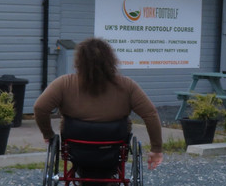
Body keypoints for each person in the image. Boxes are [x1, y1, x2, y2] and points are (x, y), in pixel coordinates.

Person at [34, 37, 164, 170]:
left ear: (79, 61)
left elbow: (40, 108)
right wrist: (156, 149)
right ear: (110, 60)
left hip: (76, 144)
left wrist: (48, 134)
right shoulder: (127, 86)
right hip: (113, 145)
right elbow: (150, 114)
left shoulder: (64, 83)